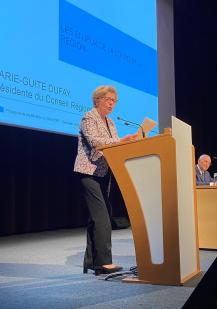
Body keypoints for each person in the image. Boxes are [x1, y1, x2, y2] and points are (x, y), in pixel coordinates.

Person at [74, 85, 138, 276]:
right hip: (88, 172)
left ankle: (91, 261)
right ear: (98, 100)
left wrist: (130, 143)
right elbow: (95, 142)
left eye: (114, 101)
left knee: (98, 218)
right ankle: (103, 263)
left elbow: (115, 146)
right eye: (108, 99)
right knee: (101, 217)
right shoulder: (89, 117)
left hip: (104, 174)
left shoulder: (111, 122)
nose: (112, 103)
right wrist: (121, 141)